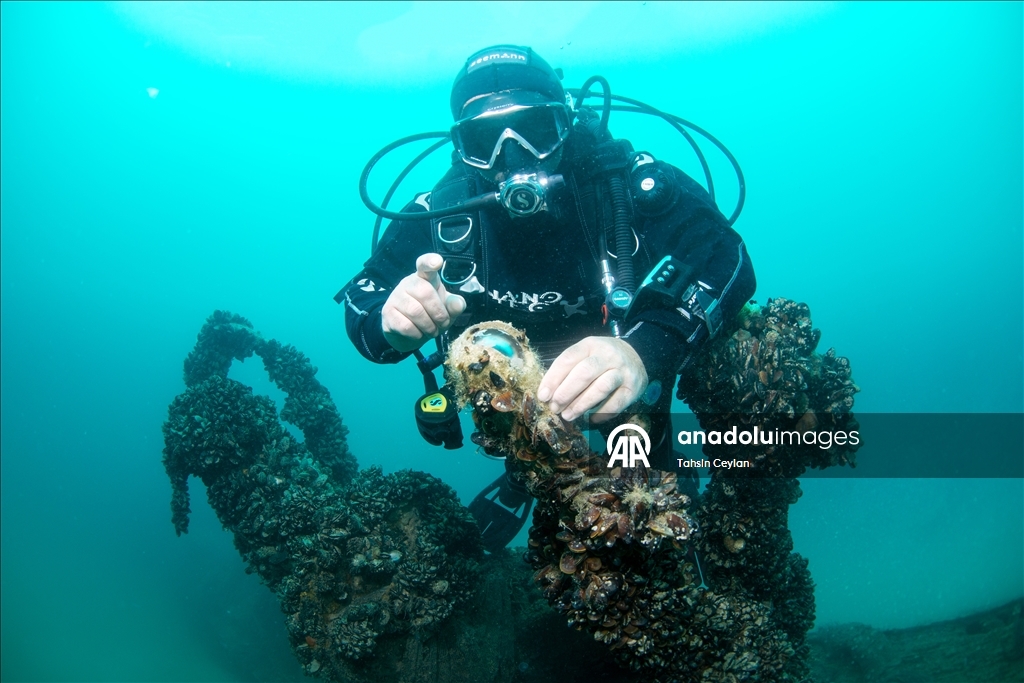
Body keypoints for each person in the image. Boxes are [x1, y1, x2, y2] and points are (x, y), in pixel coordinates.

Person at [341, 45, 755, 552]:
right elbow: (363, 299)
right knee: (529, 437)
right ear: (461, 148)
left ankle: (662, 479)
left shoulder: (626, 185)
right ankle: (525, 476)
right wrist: (390, 321)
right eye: (483, 140)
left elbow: (726, 258)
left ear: (566, 121)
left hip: (625, 370)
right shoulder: (440, 213)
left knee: (645, 453)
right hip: (517, 394)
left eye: (534, 130)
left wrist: (646, 349)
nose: (510, 157)